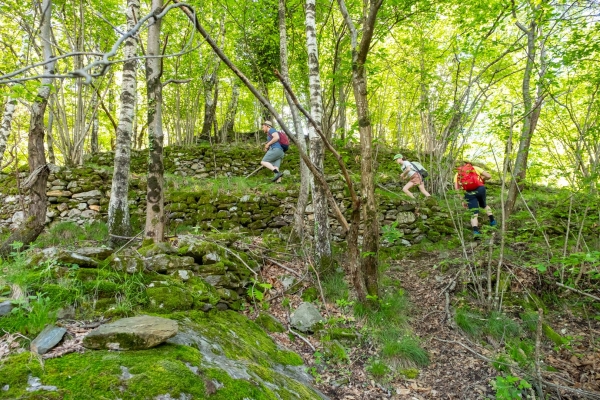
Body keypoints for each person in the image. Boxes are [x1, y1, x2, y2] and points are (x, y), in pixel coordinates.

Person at [454, 160, 497, 236]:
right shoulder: (474, 168)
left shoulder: (457, 174)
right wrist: (483, 179)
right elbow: (489, 176)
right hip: (480, 188)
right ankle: (492, 221)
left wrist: (462, 200)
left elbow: (457, 189)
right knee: (484, 205)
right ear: (468, 164)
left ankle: (476, 232)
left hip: (468, 192)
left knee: (474, 213)